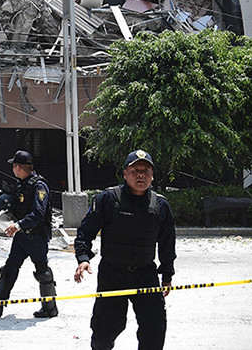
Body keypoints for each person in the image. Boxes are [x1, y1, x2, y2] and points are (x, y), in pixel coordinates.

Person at [74, 149, 176, 350]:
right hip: (112, 274)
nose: (141, 175)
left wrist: (167, 274)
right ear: (125, 173)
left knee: (154, 328)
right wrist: (83, 258)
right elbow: (85, 232)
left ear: (152, 175)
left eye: (146, 171)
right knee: (105, 331)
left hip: (145, 273)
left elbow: (167, 243)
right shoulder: (107, 199)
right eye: (135, 170)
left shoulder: (160, 205)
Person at [0, 150, 57, 318]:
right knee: (9, 268)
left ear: (18, 167)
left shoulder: (39, 186)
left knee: (42, 272)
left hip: (36, 235)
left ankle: (50, 308)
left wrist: (18, 225)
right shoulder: (21, 184)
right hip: (21, 235)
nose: (13, 169)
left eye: (13, 166)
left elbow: (38, 213)